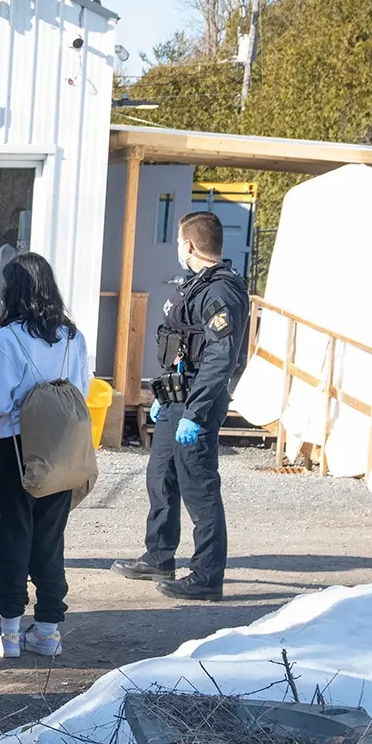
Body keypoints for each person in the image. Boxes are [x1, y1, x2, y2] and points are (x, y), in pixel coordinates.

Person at [116, 211, 251, 602]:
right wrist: (164, 398)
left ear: (189, 245)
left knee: (199, 488)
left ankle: (207, 575)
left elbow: (220, 356)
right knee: (161, 478)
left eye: (178, 241)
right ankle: (159, 556)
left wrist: (194, 412)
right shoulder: (195, 286)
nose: (178, 248)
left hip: (198, 403)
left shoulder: (220, 291)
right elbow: (183, 347)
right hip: (176, 397)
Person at [0, 253, 91, 657]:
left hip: (15, 449)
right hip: (59, 449)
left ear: (12, 291)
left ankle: (8, 632)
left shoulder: (8, 339)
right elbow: (81, 393)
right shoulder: (74, 337)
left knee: (11, 537)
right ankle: (48, 630)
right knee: (49, 539)